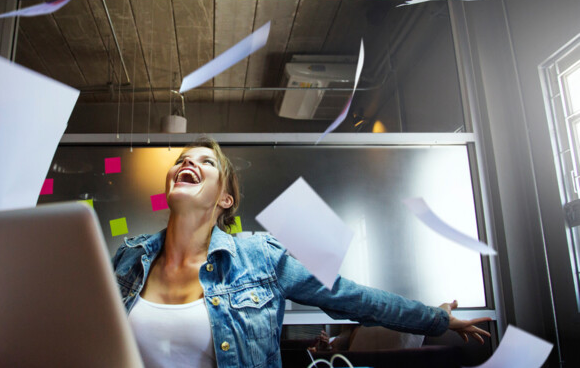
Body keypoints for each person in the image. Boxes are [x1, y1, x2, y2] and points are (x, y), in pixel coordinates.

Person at [112, 137, 490, 368]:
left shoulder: (258, 256)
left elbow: (351, 297)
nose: (187, 163)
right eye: (181, 159)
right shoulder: (128, 257)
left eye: (205, 161)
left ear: (225, 199)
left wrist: (435, 319)